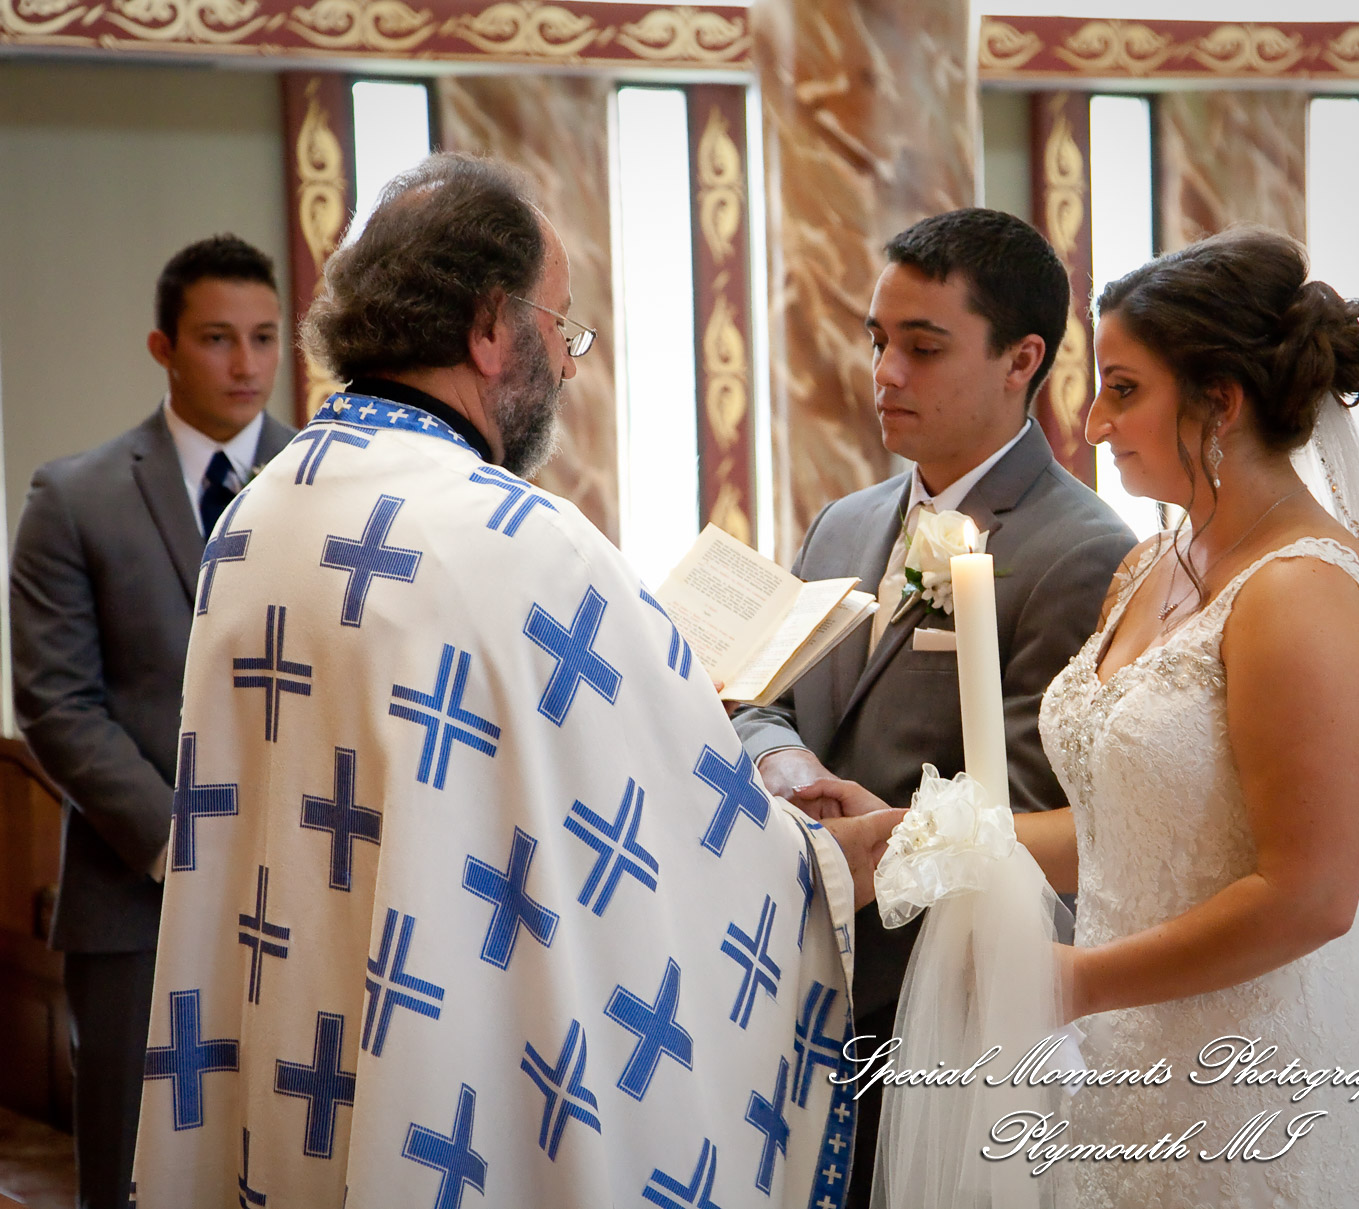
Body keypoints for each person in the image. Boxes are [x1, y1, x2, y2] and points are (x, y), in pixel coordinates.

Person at [131, 153, 903, 1207]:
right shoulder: (516, 540)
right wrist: (822, 865)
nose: (570, 364)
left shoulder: (262, 511)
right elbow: (669, 854)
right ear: (492, 327)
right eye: (561, 326)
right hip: (449, 1066)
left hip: (294, 1032)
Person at [815, 229, 1359, 1207]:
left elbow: (1307, 896)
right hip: (1110, 1068)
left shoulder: (1300, 597)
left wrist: (1074, 982)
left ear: (1220, 401)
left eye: (1122, 389)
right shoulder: (1150, 567)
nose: (1088, 424)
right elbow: (1119, 833)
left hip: (1243, 1089)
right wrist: (916, 842)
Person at [732, 207, 1135, 1204]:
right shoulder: (844, 520)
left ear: (1019, 360)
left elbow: (1033, 803)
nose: (883, 373)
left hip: (933, 1003)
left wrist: (871, 834)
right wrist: (789, 771)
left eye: (921, 346)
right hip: (788, 972)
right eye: (878, 341)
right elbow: (753, 699)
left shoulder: (1080, 550)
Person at [9, 234, 296, 1209]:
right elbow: (55, 702)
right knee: (135, 1176)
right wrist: (188, 847)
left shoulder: (331, 489)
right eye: (217, 338)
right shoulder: (76, 497)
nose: (246, 364)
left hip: (304, 890)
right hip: (136, 899)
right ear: (162, 347)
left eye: (263, 337)